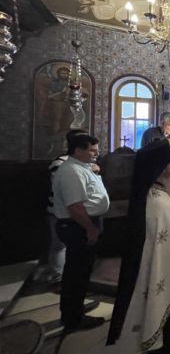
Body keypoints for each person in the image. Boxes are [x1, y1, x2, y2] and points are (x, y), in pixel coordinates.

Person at [106, 140, 170, 354]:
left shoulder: (149, 194)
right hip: (167, 276)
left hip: (147, 274)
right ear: (165, 167)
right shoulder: (161, 204)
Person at [52, 134, 109, 331]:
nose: (96, 154)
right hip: (77, 226)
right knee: (76, 273)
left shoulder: (81, 167)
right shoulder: (71, 172)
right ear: (77, 150)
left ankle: (75, 307)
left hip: (82, 225)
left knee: (81, 271)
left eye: (97, 150)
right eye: (92, 151)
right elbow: (75, 206)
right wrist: (90, 228)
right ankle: (73, 318)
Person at [38, 129, 96, 285]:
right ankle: (59, 279)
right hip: (61, 212)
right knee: (60, 246)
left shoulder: (87, 163)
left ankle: (74, 278)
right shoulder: (59, 163)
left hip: (83, 212)